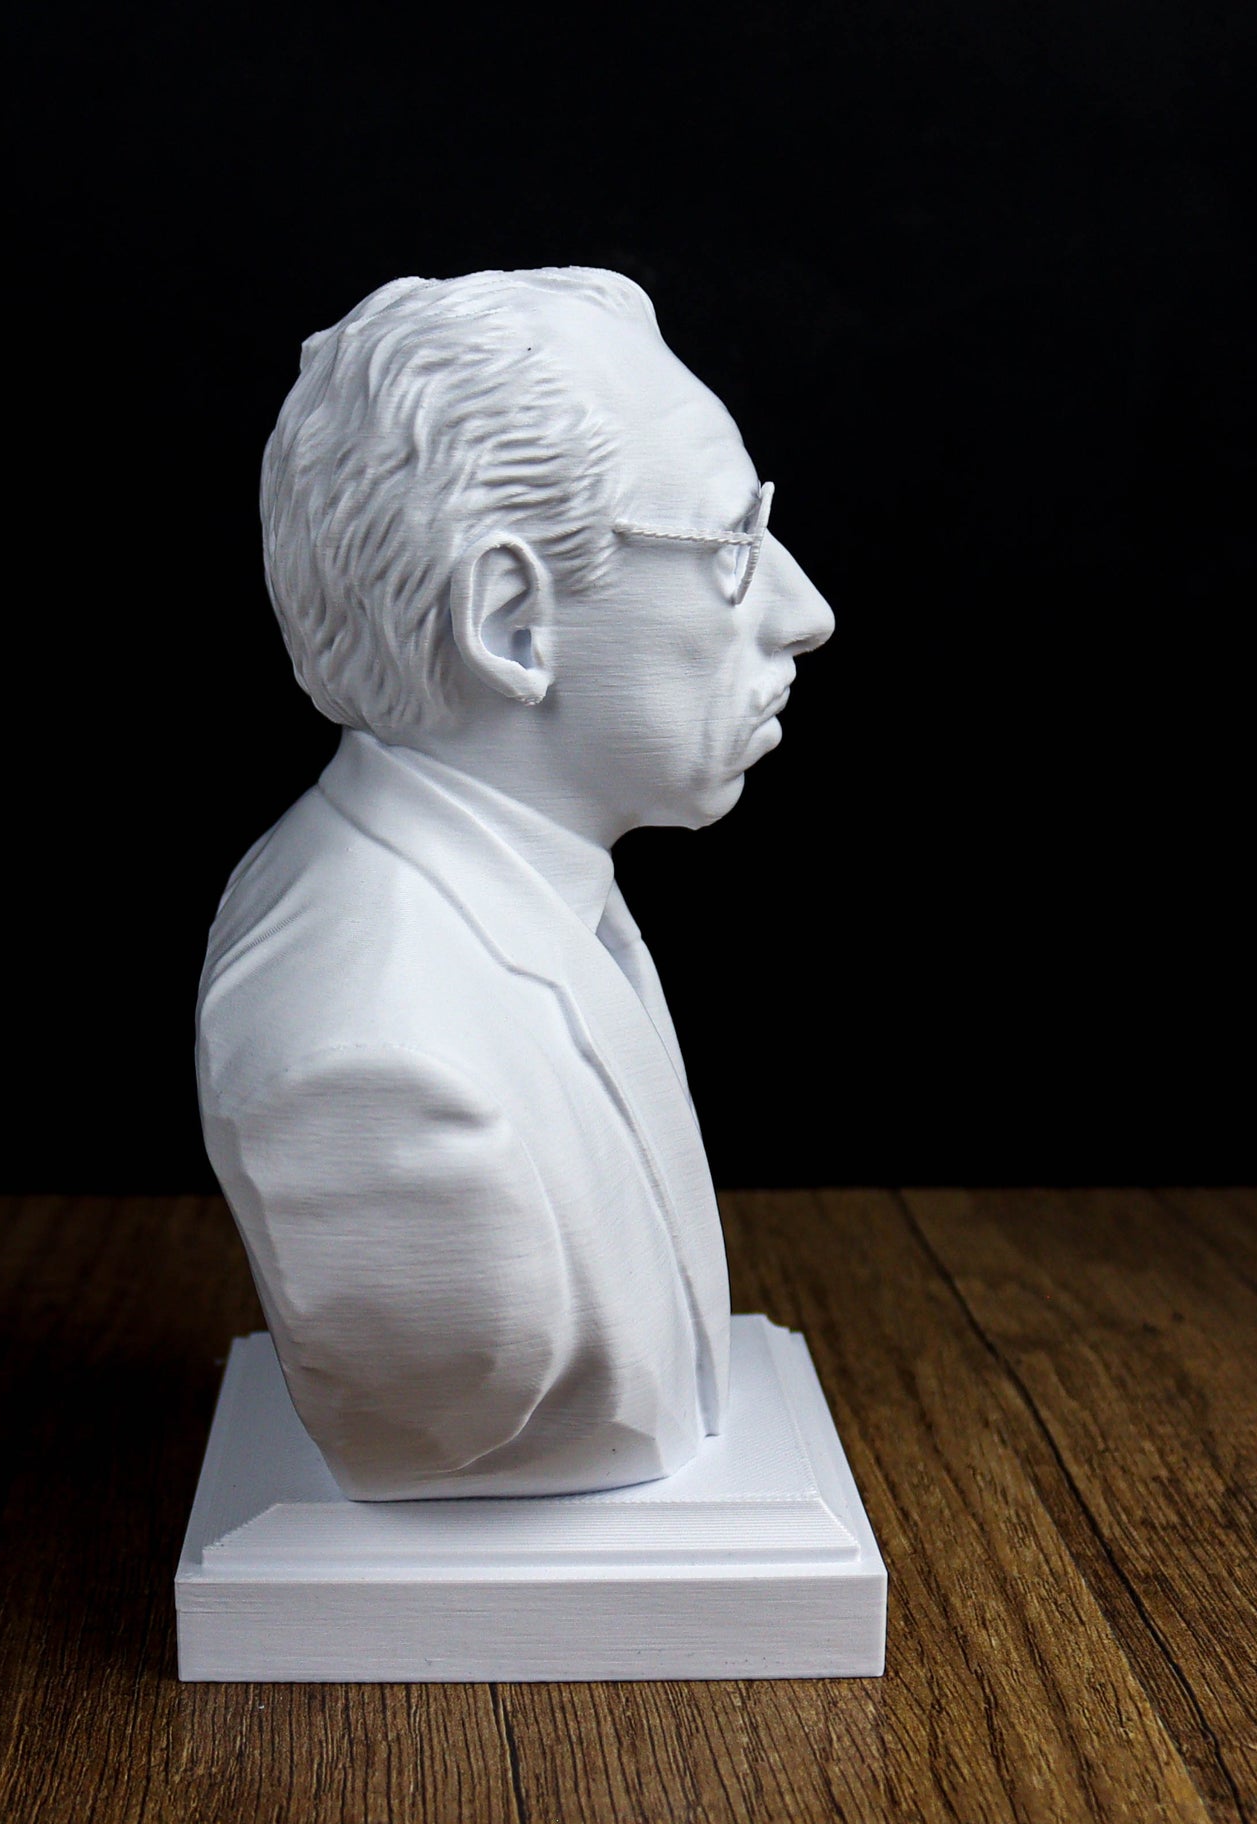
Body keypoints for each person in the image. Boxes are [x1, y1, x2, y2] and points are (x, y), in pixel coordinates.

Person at [196, 268, 835, 1500]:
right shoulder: (374, 1060)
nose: (803, 610)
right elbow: (453, 1389)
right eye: (731, 546)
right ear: (510, 621)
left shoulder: (535, 898)